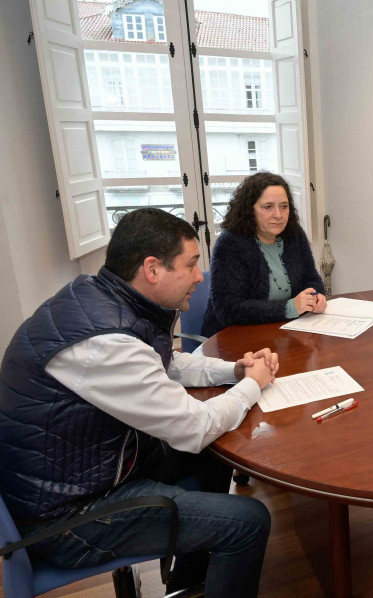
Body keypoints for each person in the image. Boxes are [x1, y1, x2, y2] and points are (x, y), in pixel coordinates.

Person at [0, 208, 276, 598]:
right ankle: (200, 576)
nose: (200, 276)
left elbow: (164, 363)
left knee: (217, 453)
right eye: (192, 264)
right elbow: (194, 428)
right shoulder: (105, 344)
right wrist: (253, 386)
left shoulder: (100, 299)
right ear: (152, 269)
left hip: (81, 475)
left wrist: (234, 371)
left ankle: (191, 582)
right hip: (65, 519)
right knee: (248, 520)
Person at [202, 171, 326, 338]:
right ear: (249, 210)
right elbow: (228, 309)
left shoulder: (294, 235)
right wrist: (289, 308)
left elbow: (311, 279)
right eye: (268, 207)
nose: (278, 215)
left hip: (286, 333)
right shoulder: (230, 244)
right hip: (236, 339)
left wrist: (316, 297)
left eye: (284, 206)